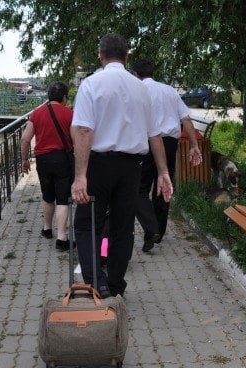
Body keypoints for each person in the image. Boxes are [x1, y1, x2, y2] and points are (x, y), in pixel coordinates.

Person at [70, 33, 173, 298]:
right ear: (127, 58)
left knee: (86, 224)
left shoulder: (91, 84)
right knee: (122, 227)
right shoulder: (141, 88)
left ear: (101, 56)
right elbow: (154, 135)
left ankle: (96, 282)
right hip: (132, 168)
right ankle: (116, 284)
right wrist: (163, 172)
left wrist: (80, 176)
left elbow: (83, 130)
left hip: (99, 166)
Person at [131, 59, 202, 253]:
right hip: (170, 143)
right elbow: (185, 118)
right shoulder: (169, 91)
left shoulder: (136, 90)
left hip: (146, 143)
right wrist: (194, 145)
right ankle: (158, 232)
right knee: (164, 185)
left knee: (139, 188)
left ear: (136, 74)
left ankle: (150, 227)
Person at [19, 82, 74, 250]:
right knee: (63, 198)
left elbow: (25, 139)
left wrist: (24, 160)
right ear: (64, 97)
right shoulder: (70, 113)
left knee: (48, 195)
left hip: (42, 160)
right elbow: (76, 139)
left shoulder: (37, 113)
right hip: (62, 159)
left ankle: (47, 229)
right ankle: (62, 238)